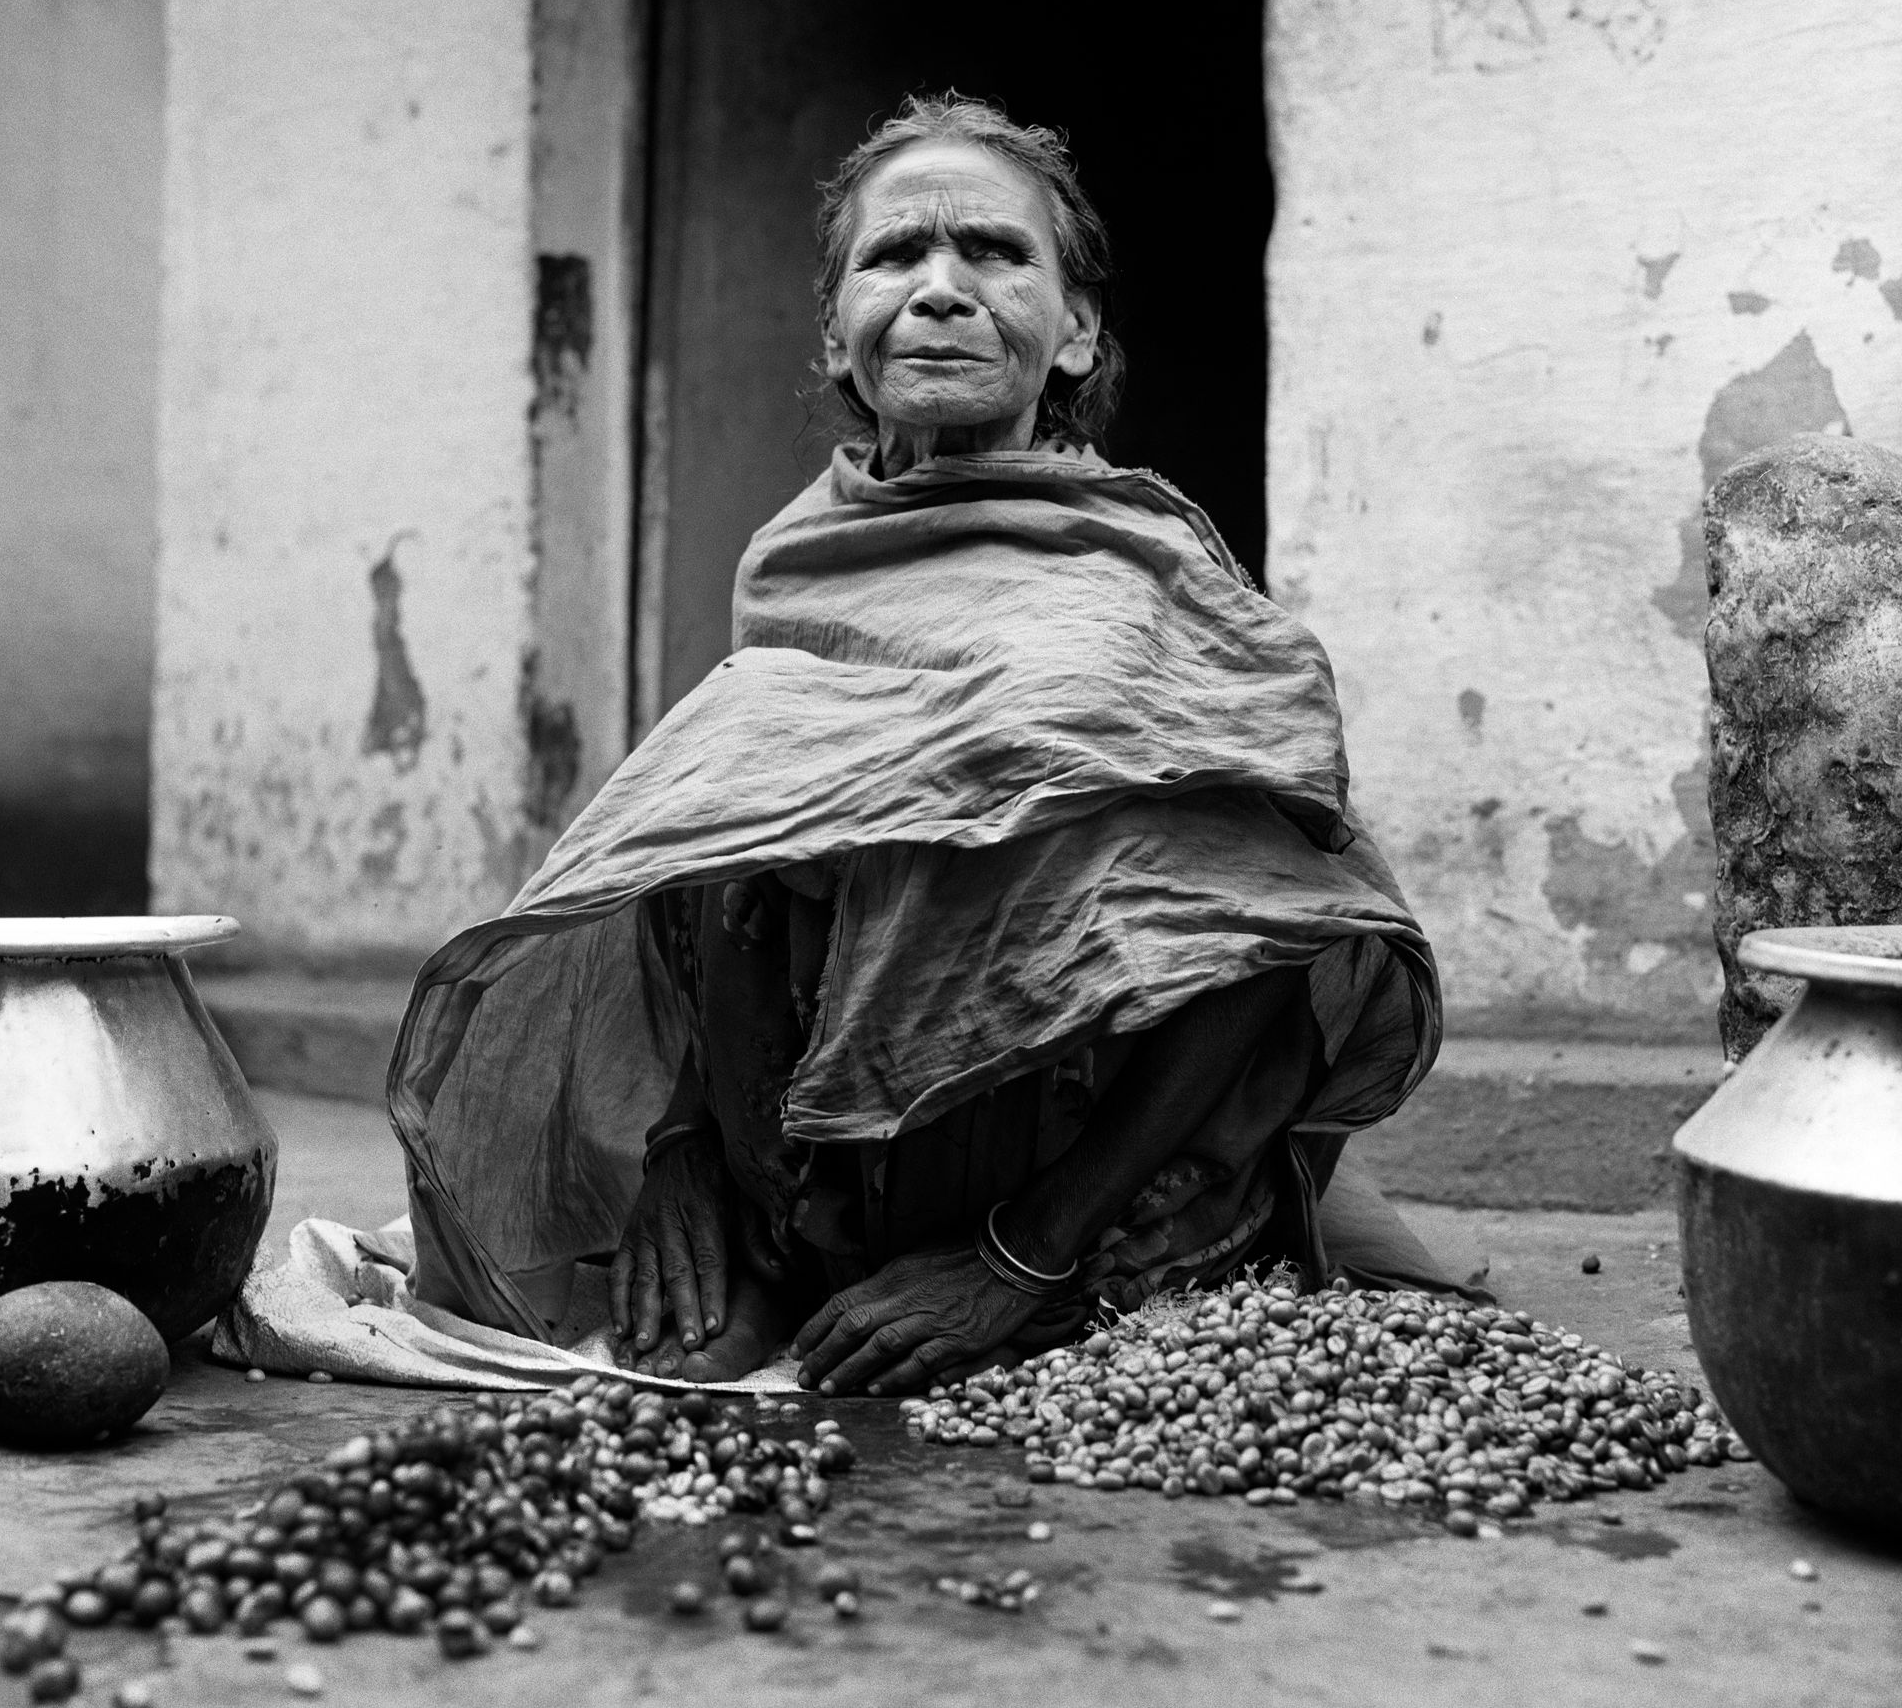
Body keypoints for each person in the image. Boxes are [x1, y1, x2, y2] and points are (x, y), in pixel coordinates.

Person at [388, 95, 1453, 1397]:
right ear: (839, 336)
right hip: (819, 1211)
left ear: (1076, 335)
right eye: (895, 257)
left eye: (995, 254)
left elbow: (1258, 940)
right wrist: (681, 1146)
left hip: (1079, 1214)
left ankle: (1032, 1263)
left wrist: (1021, 1254)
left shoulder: (1144, 587)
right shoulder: (794, 565)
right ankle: (792, 1245)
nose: (941, 288)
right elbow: (715, 874)